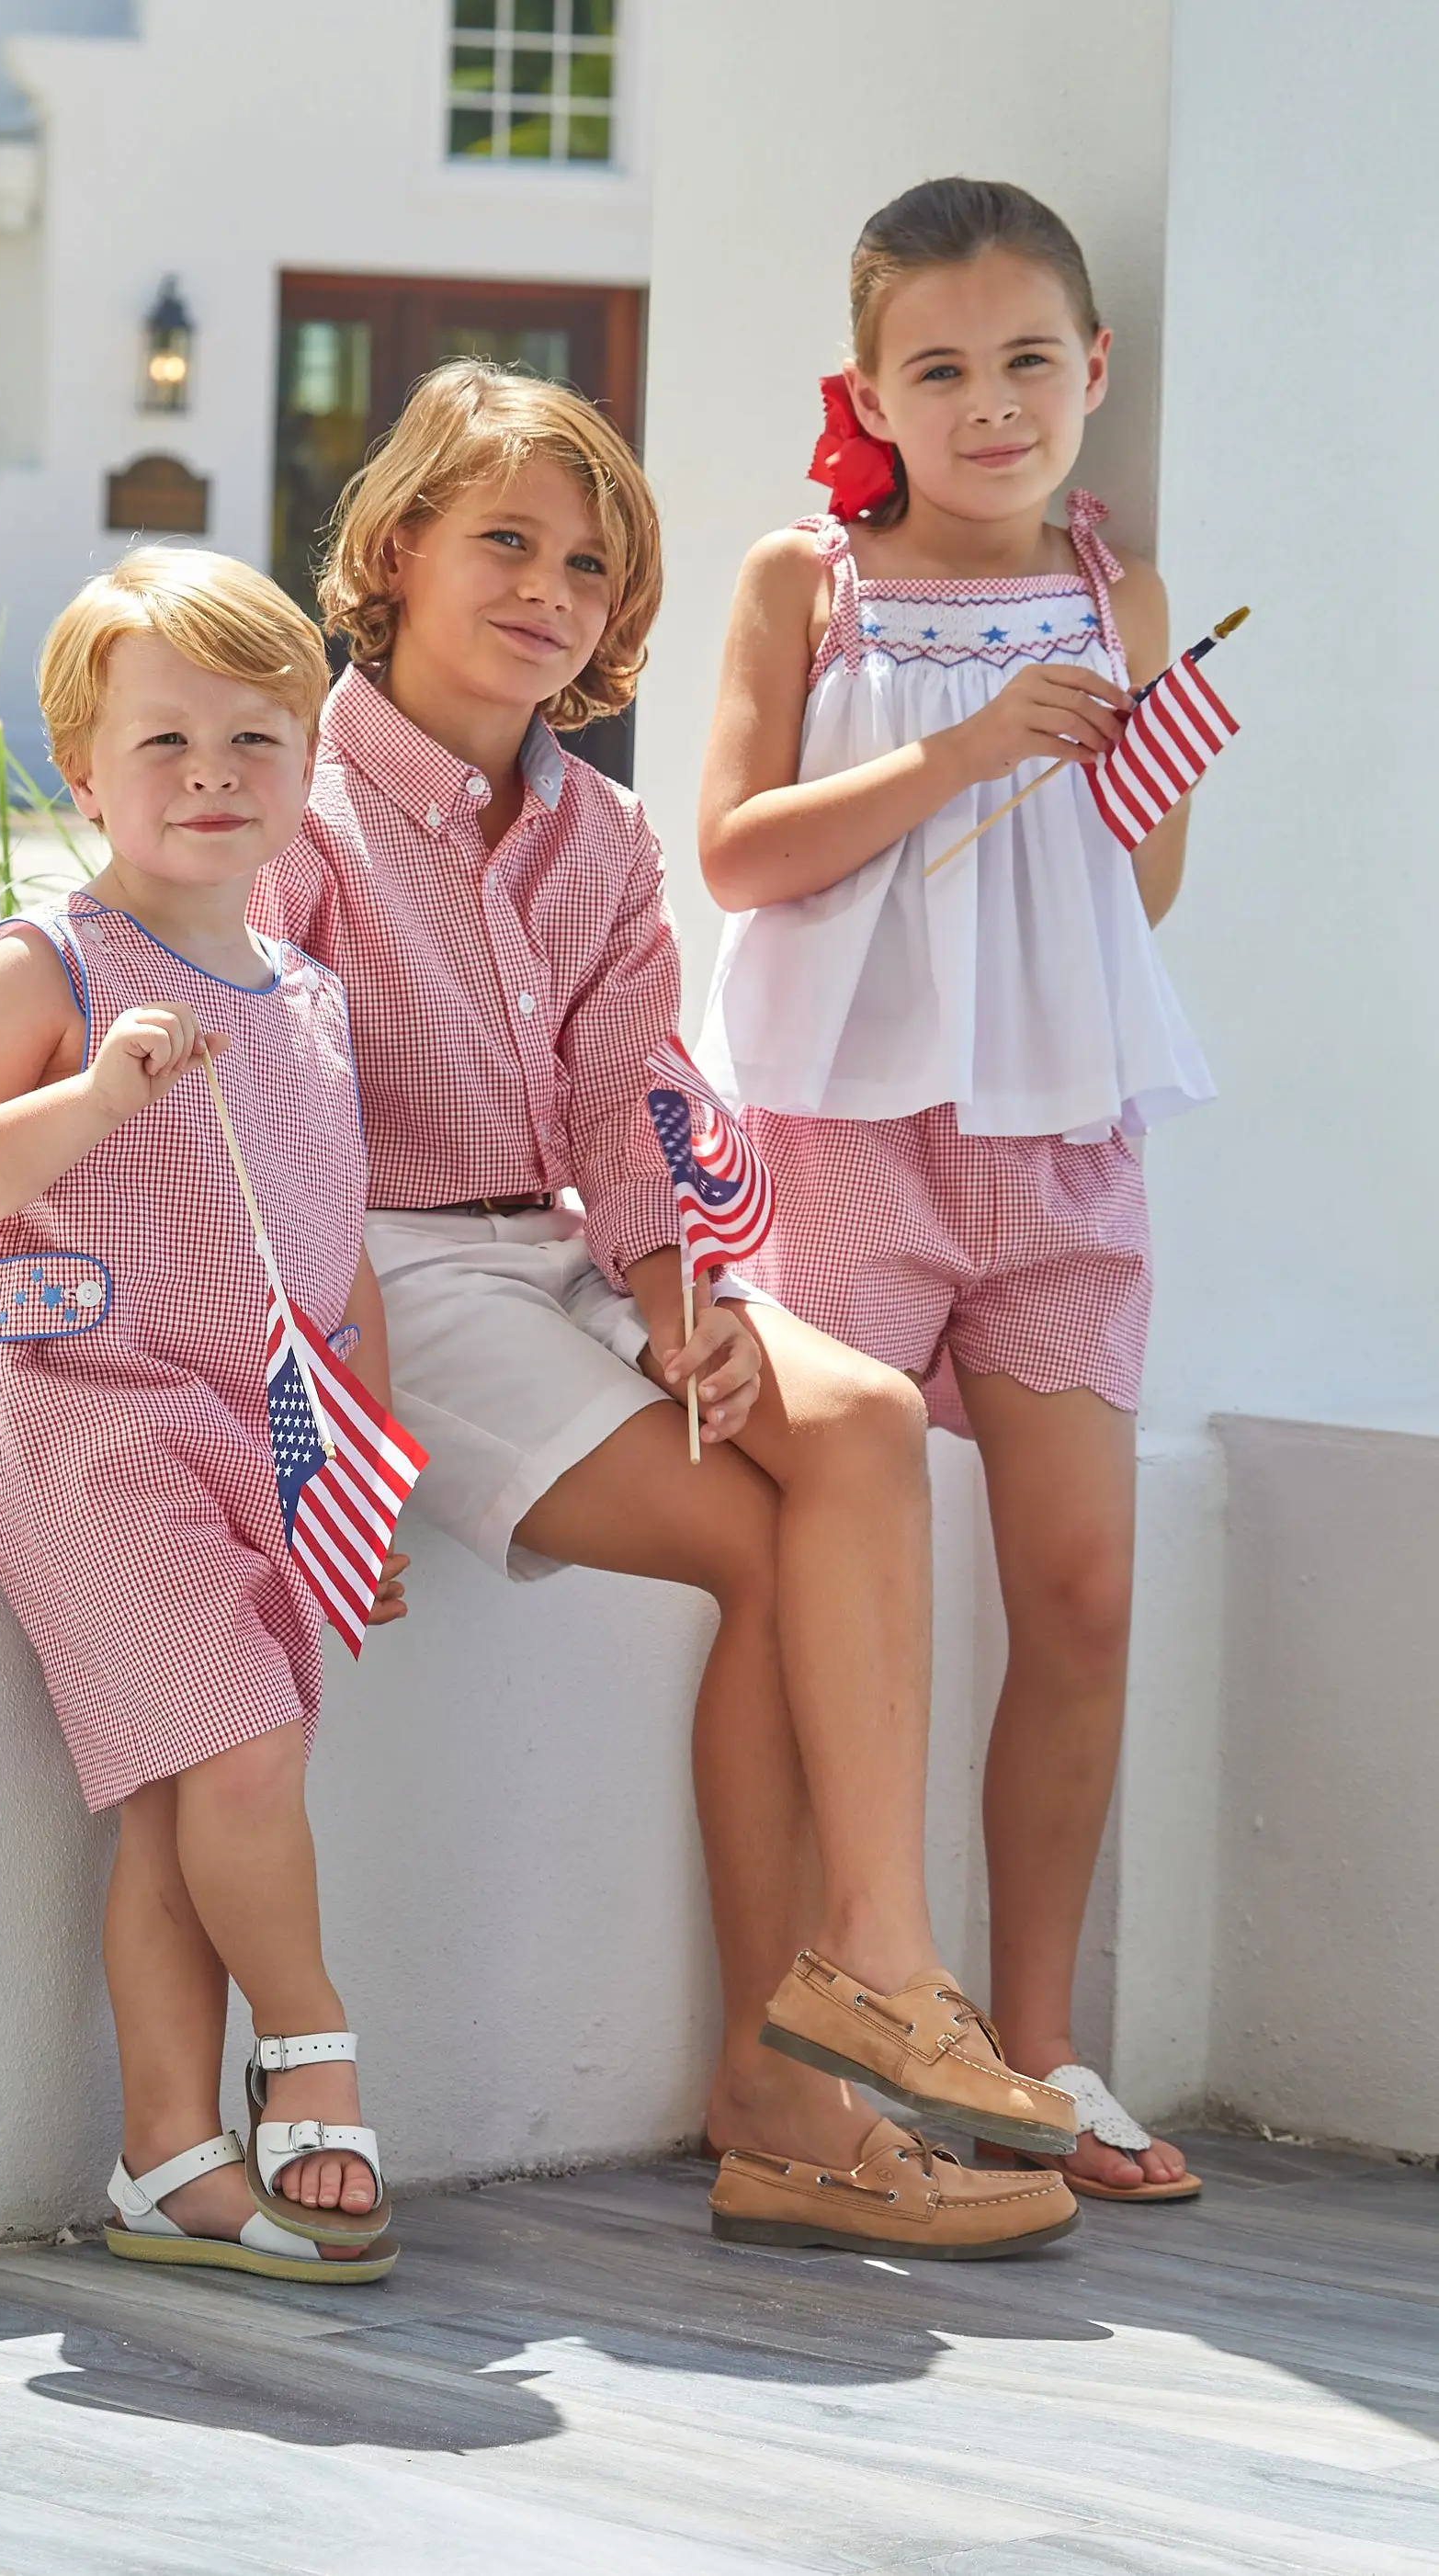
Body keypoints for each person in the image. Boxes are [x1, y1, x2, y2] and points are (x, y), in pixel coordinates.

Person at [254, 358, 1081, 2260]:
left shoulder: (603, 845)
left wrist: (680, 1297)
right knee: (767, 1555)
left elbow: (636, 1104)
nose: (551, 590)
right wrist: (320, 1395)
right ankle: (777, 2100)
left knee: (857, 1411)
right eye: (507, 544)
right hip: (394, 1281)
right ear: (395, 549)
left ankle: (873, 1961)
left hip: (566, 1254)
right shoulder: (294, 803)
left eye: (592, 564)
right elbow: (257, 1112)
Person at [696, 178, 1212, 2204]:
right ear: (872, 392)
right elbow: (735, 854)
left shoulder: (1126, 589)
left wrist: (1117, 775)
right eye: (941, 367)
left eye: (1025, 362)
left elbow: (1142, 893)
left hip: (1065, 1139)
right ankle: (850, 2033)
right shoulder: (805, 581)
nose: (988, 403)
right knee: (849, 1562)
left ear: (1090, 374)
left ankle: (1037, 2046)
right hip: (848, 1139)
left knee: (1079, 1591)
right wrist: (967, 746)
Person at [0, 548, 410, 2284]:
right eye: (165, 740)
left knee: (189, 1799)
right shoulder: (50, 965)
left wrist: (369, 1465)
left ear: (310, 762)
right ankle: (313, 2033)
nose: (210, 776)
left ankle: (169, 2153)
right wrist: (96, 1094)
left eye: (256, 742)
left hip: (256, 1440)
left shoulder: (310, 997)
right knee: (242, 1753)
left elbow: (338, 1262)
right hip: (88, 1422)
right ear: (82, 771)